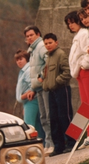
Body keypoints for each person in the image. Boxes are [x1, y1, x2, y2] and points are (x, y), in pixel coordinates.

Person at [38, 33, 75, 156]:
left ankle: (71, 142)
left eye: (50, 43)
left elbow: (67, 72)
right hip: (51, 92)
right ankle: (58, 146)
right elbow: (47, 74)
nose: (48, 45)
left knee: (65, 116)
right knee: (53, 119)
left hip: (61, 89)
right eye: (46, 43)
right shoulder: (48, 57)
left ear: (56, 42)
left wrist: (56, 82)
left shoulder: (61, 54)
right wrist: (45, 83)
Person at [23, 26, 54, 154]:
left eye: (31, 35)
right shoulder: (33, 49)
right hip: (38, 88)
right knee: (43, 117)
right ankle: (48, 143)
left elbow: (48, 62)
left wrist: (41, 77)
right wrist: (32, 88)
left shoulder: (40, 46)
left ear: (38, 34)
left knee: (48, 116)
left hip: (45, 86)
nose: (29, 38)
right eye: (27, 36)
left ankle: (52, 143)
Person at [65, 10, 89, 149]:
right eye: (69, 24)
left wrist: (83, 65)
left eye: (73, 22)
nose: (71, 25)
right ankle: (82, 135)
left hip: (85, 71)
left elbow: (86, 53)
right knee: (84, 104)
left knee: (87, 103)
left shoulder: (85, 34)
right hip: (79, 73)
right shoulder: (78, 36)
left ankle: (78, 135)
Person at [14, 49, 44, 139]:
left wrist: (24, 96)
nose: (19, 61)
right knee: (38, 125)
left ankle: (31, 144)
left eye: (21, 59)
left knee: (29, 126)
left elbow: (32, 86)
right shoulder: (23, 71)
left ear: (26, 59)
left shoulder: (27, 71)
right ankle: (43, 143)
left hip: (31, 101)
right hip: (27, 103)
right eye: (17, 60)